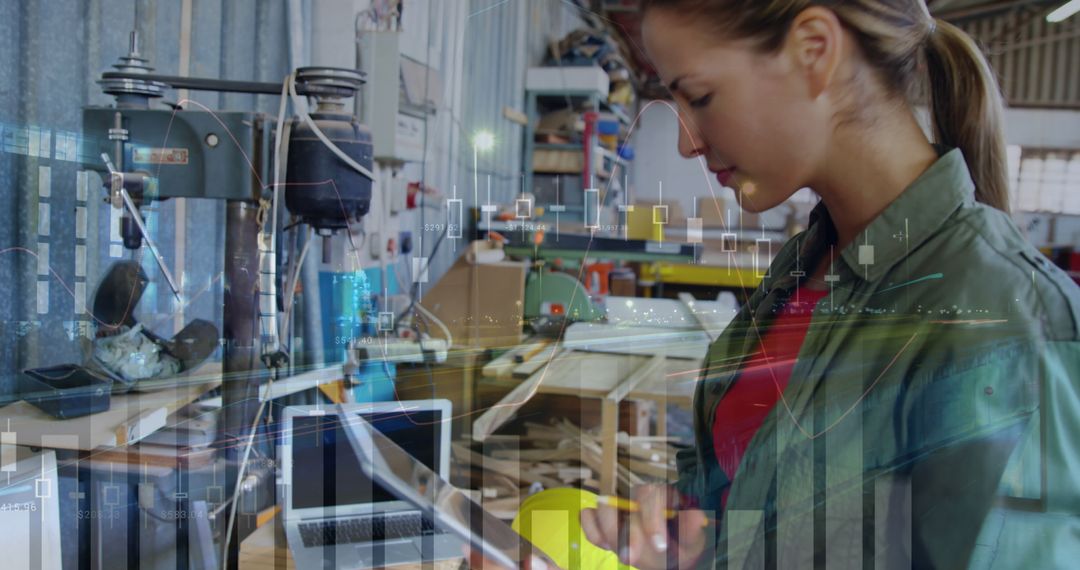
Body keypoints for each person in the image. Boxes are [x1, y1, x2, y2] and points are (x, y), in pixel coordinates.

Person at [470, 0, 1080, 567]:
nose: (688, 141)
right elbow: (752, 492)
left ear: (814, 50)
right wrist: (689, 529)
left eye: (701, 97)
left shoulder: (1007, 317)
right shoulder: (806, 264)